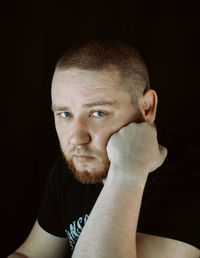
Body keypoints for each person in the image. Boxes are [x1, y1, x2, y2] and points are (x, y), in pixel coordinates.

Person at [8, 39, 200, 258]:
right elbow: (31, 254)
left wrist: (127, 172)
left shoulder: (190, 183)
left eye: (98, 113)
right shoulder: (79, 162)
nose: (77, 139)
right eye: (65, 114)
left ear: (147, 108)